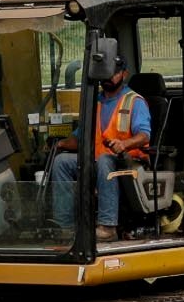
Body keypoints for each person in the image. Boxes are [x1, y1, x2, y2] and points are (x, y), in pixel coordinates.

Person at [49, 40, 153, 241]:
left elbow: (144, 136)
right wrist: (60, 144)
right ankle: (64, 226)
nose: (109, 77)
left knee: (106, 160)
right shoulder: (94, 102)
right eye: (105, 73)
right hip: (98, 161)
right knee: (61, 162)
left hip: (129, 164)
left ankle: (107, 226)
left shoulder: (134, 101)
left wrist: (124, 144)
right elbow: (80, 139)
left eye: (114, 73)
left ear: (124, 74)